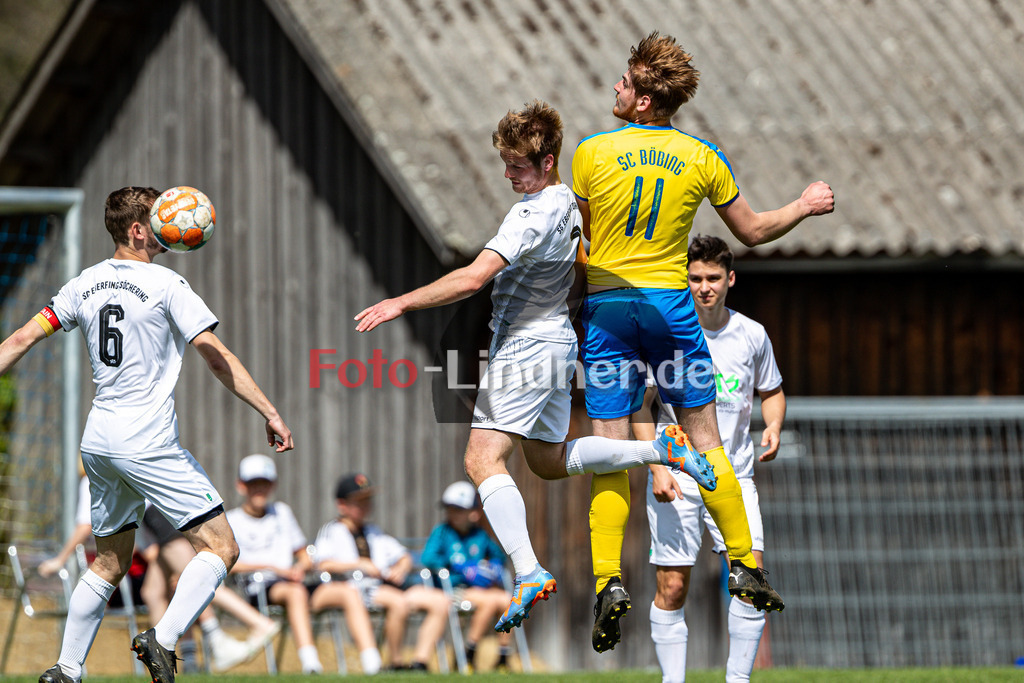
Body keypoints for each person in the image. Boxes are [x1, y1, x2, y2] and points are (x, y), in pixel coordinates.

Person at [354, 101, 715, 635]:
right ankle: (659, 449)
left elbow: (474, 278)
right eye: (504, 162)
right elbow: (586, 261)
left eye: (518, 165)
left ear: (547, 162)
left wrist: (401, 303)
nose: (507, 174)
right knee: (546, 462)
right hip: (556, 344)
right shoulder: (571, 202)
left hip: (525, 347)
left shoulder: (531, 213)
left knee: (481, 459)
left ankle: (527, 570)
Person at [571, 31, 834, 651]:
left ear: (640, 101)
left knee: (610, 452)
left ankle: (608, 580)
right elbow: (753, 229)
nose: (616, 86)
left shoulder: (589, 154)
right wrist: (801, 204)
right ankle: (743, 561)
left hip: (609, 309)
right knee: (708, 441)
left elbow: (580, 247)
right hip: (670, 310)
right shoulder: (701, 156)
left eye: (625, 81)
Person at [0, 186, 294, 683]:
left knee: (110, 561)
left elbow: (21, 338)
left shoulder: (83, 284)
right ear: (137, 230)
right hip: (146, 440)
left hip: (98, 442)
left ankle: (66, 669)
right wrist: (269, 410)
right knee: (221, 547)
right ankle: (162, 637)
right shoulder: (166, 284)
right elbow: (215, 355)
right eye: (158, 221)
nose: (164, 229)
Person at [633, 235, 785, 682]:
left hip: (735, 477)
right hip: (678, 477)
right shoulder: (664, 336)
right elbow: (641, 405)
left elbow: (771, 392)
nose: (704, 286)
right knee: (673, 586)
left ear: (730, 278)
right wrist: (656, 466)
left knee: (750, 580)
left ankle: (737, 680)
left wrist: (772, 425)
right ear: (685, 280)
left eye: (713, 277)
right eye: (695, 277)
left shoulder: (752, 334)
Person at [313, 473, 448, 672]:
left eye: (367, 500)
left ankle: (420, 662)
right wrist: (359, 564)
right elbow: (322, 564)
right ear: (342, 504)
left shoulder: (374, 531)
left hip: (383, 588)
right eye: (359, 501)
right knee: (398, 602)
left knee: (441, 601)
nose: (365, 506)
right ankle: (396, 662)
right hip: (351, 589)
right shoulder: (332, 530)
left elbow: (404, 556)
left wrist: (400, 568)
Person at [138, 505, 281, 672]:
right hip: (156, 523)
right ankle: (161, 658)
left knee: (200, 583)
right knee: (152, 593)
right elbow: (150, 553)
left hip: (162, 518)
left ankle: (257, 624)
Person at [226, 454, 325, 674]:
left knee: (347, 592)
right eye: (254, 484)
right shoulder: (231, 520)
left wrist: (300, 568)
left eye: (264, 483)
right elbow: (229, 563)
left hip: (291, 582)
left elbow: (303, 554)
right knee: (295, 593)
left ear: (272, 485)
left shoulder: (283, 512)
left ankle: (374, 666)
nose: (259, 489)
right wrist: (273, 568)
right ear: (241, 486)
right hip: (257, 588)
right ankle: (310, 662)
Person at [420, 481, 513, 671]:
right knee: (487, 602)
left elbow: (499, 557)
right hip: (452, 589)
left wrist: (493, 567)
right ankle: (468, 655)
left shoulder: (479, 535)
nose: (452, 514)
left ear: (474, 513)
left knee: (507, 601)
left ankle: (503, 659)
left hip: (476, 589)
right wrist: (459, 566)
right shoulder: (442, 532)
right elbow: (428, 558)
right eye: (450, 509)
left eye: (458, 509)